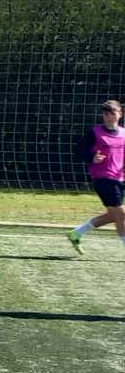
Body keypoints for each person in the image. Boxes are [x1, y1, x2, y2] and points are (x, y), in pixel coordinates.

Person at [66, 98, 125, 256]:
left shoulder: (124, 134)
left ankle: (76, 233)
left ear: (120, 114)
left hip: (119, 179)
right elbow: (79, 151)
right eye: (106, 114)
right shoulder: (95, 133)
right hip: (103, 179)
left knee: (113, 215)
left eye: (112, 113)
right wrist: (92, 158)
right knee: (122, 215)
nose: (109, 117)